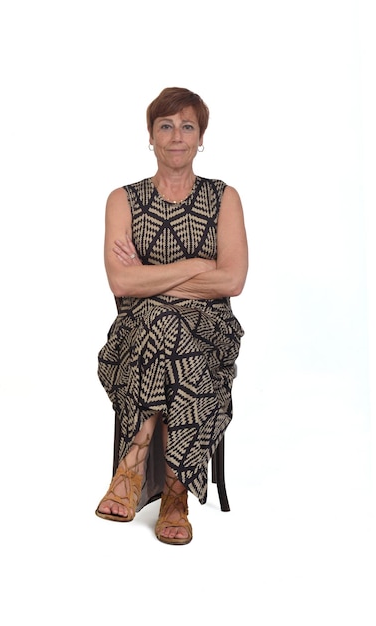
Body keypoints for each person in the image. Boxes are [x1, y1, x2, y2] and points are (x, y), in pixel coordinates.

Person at [95, 87, 248, 545]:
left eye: (187, 126)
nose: (177, 136)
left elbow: (233, 281)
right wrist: (197, 268)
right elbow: (121, 284)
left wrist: (152, 278)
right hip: (136, 333)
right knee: (163, 325)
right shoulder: (122, 199)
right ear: (150, 136)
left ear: (201, 138)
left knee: (171, 325)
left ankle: (134, 464)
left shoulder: (225, 198)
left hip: (210, 333)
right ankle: (176, 495)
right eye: (166, 126)